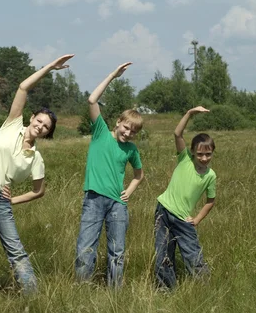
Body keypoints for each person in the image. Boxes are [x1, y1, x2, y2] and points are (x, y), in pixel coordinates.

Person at [0, 54, 74, 300]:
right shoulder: (12, 123)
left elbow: (38, 191)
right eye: (40, 121)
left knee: (15, 250)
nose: (41, 126)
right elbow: (23, 86)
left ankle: (34, 299)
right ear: (32, 117)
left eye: (46, 128)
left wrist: (12, 200)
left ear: (47, 134)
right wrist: (50, 68)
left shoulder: (36, 159)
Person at [74, 62, 144, 288]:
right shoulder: (100, 133)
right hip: (93, 199)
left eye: (133, 131)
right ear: (118, 122)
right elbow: (92, 100)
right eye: (126, 127)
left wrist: (128, 193)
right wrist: (113, 75)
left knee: (117, 251)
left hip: (117, 204)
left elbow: (139, 175)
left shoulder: (131, 150)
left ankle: (115, 294)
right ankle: (82, 290)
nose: (128, 133)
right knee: (86, 248)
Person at [154, 106, 216, 290]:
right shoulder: (185, 159)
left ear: (212, 153)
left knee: (193, 256)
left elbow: (210, 201)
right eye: (200, 154)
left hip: (183, 219)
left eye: (208, 154)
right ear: (192, 152)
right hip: (163, 212)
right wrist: (189, 113)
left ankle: (204, 290)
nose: (204, 158)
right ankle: (165, 291)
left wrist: (196, 220)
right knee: (163, 255)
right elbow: (177, 134)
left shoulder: (210, 176)